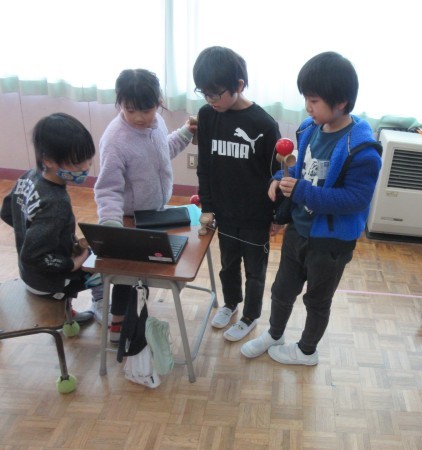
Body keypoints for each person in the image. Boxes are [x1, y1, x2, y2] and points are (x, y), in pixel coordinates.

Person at [239, 51, 382, 365]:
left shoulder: (362, 150)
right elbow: (299, 169)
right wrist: (280, 177)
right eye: (306, 98)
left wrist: (302, 192)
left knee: (317, 301)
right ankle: (275, 334)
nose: (307, 106)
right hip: (298, 231)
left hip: (330, 244)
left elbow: (355, 200)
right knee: (281, 290)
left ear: (341, 101)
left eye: (314, 100)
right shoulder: (309, 129)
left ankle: (307, 351)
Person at [94, 68, 196, 342]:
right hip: (128, 217)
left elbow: (163, 151)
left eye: (147, 110)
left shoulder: (157, 123)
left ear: (158, 103)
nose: (139, 117)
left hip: (155, 212)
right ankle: (117, 324)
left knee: (148, 269)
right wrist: (111, 225)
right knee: (127, 274)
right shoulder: (115, 140)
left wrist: (185, 133)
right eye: (130, 110)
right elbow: (108, 188)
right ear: (120, 104)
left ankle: (137, 314)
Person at [192, 46, 282, 342]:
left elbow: (276, 175)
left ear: (239, 85)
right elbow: (204, 166)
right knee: (228, 265)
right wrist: (207, 206)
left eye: (216, 93)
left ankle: (250, 316)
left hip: (256, 215)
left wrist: (277, 216)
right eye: (204, 93)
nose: (210, 100)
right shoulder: (207, 116)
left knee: (255, 271)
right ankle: (231, 304)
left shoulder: (264, 124)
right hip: (224, 212)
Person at [1, 113, 97, 322]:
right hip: (47, 282)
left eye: (88, 158)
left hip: (29, 274)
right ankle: (102, 313)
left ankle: (66, 311)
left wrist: (30, 232)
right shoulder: (56, 202)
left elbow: (7, 212)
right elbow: (33, 256)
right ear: (48, 160)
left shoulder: (29, 176)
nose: (85, 167)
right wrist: (73, 263)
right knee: (105, 269)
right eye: (76, 163)